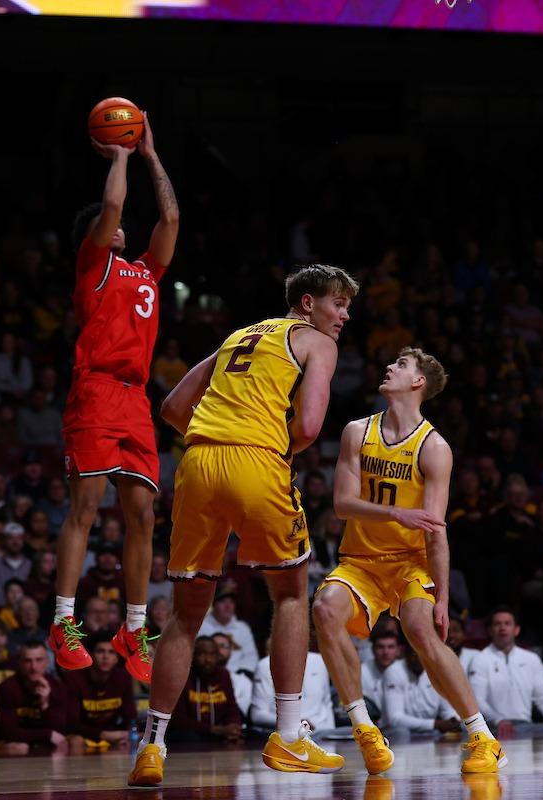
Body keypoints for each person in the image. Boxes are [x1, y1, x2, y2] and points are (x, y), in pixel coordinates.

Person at [129, 264, 357, 786]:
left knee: (186, 614)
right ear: (306, 303)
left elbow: (171, 407)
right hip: (256, 462)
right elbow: (308, 426)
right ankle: (289, 737)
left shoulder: (236, 337)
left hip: (197, 464)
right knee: (291, 595)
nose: (343, 315)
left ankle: (151, 746)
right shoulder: (317, 344)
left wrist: (219, 435)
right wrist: (264, 447)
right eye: (336, 303)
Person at [313, 348, 503, 776]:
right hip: (360, 560)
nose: (389, 367)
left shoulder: (434, 448)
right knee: (324, 610)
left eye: (401, 365)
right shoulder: (356, 432)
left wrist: (444, 599)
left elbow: (435, 530)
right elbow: (342, 505)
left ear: (418, 383)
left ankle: (483, 738)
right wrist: (396, 513)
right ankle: (364, 728)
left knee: (421, 629)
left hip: (410, 561)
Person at [51, 111, 179, 688]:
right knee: (86, 507)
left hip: (135, 399)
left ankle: (133, 629)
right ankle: (63, 622)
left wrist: (150, 155)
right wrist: (120, 155)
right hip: (96, 389)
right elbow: (109, 211)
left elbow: (171, 215)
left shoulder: (148, 271)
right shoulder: (94, 264)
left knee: (143, 518)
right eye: (115, 222)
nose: (123, 225)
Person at [468, 607, 543, 736]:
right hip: (492, 727)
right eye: (497, 624)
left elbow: (542, 697)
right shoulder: (480, 659)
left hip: (525, 726)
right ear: (490, 631)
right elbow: (477, 700)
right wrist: (499, 720)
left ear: (516, 630)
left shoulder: (531, 659)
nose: (502, 628)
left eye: (507, 623)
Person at [63, 630, 137, 753]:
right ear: (91, 655)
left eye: (111, 652)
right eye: (100, 651)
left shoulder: (123, 678)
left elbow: (130, 717)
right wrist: (103, 734)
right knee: (76, 741)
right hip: (84, 734)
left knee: (135, 737)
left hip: (111, 733)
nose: (106, 657)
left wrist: (124, 733)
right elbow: (71, 723)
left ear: (117, 658)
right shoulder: (75, 678)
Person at [0, 641, 69, 756]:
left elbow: (61, 729)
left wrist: (45, 704)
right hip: (13, 743)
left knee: (66, 743)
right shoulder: (8, 688)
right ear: (19, 663)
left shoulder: (57, 686)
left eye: (39, 660)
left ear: (48, 662)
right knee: (19, 748)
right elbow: (9, 733)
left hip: (42, 742)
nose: (33, 667)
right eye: (28, 661)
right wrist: (47, 734)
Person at [249, 636, 335, 735]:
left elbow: (327, 703)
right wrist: (295, 724)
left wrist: (329, 733)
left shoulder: (319, 661)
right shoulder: (265, 666)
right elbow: (257, 715)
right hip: (283, 736)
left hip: (322, 734)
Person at [169, 637, 244, 746]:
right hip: (192, 735)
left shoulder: (223, 675)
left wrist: (234, 727)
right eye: (202, 654)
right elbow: (178, 719)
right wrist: (214, 730)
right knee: (187, 737)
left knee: (253, 736)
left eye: (213, 655)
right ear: (193, 656)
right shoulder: (182, 676)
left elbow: (232, 708)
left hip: (219, 733)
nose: (208, 660)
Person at [380, 646, 461, 736]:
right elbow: (395, 719)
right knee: (401, 732)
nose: (417, 658)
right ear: (405, 654)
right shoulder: (393, 671)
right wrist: (436, 724)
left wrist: (453, 720)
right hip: (395, 732)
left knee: (464, 726)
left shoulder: (437, 671)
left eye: (422, 654)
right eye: (414, 654)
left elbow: (447, 710)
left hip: (430, 730)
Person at [196, 580, 259, 675]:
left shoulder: (243, 628)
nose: (228, 606)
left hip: (239, 678)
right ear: (213, 604)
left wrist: (240, 677)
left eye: (231, 602)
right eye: (222, 601)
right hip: (208, 675)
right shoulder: (201, 627)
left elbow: (251, 657)